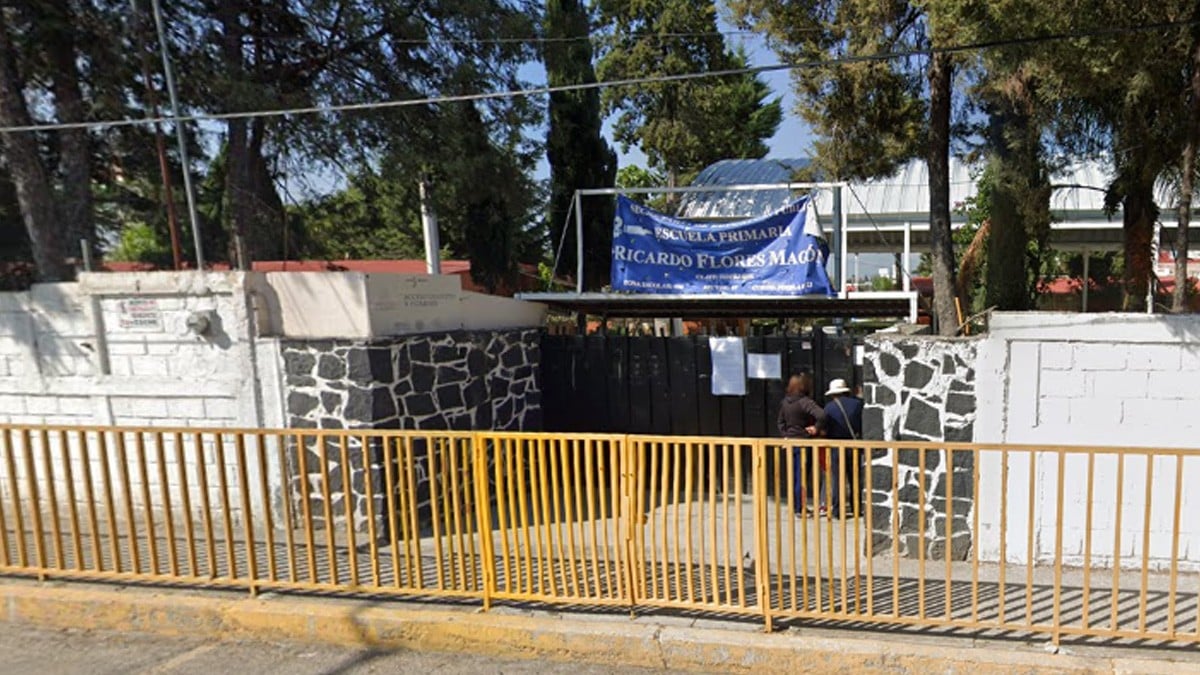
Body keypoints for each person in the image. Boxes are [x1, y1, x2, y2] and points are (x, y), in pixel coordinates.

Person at [777, 373, 825, 517]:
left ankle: (795, 506)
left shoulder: (785, 402)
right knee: (802, 476)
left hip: (789, 443)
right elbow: (822, 415)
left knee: (793, 476)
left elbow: (780, 422)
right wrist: (816, 428)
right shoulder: (805, 402)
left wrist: (786, 434)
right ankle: (800, 508)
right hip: (803, 442)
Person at [822, 378, 863, 518]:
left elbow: (824, 427)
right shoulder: (858, 404)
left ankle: (838, 510)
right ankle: (856, 508)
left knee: (837, 479)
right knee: (855, 478)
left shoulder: (829, 408)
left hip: (835, 446)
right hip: (854, 445)